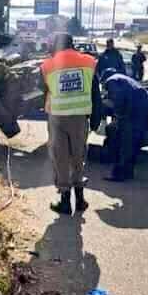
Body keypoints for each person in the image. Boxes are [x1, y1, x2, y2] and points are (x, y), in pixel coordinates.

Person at [41, 34, 102, 215]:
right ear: (72, 44)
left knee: (60, 159)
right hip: (80, 118)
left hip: (57, 119)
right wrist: (96, 118)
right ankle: (80, 200)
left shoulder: (48, 65)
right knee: (78, 157)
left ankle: (65, 202)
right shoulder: (88, 62)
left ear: (56, 45)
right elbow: (95, 92)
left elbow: (44, 92)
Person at [101, 68, 148, 182]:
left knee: (124, 140)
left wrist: (116, 115)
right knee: (134, 141)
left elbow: (118, 99)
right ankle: (128, 171)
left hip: (134, 110)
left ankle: (119, 174)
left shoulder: (111, 81)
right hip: (146, 105)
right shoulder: (125, 79)